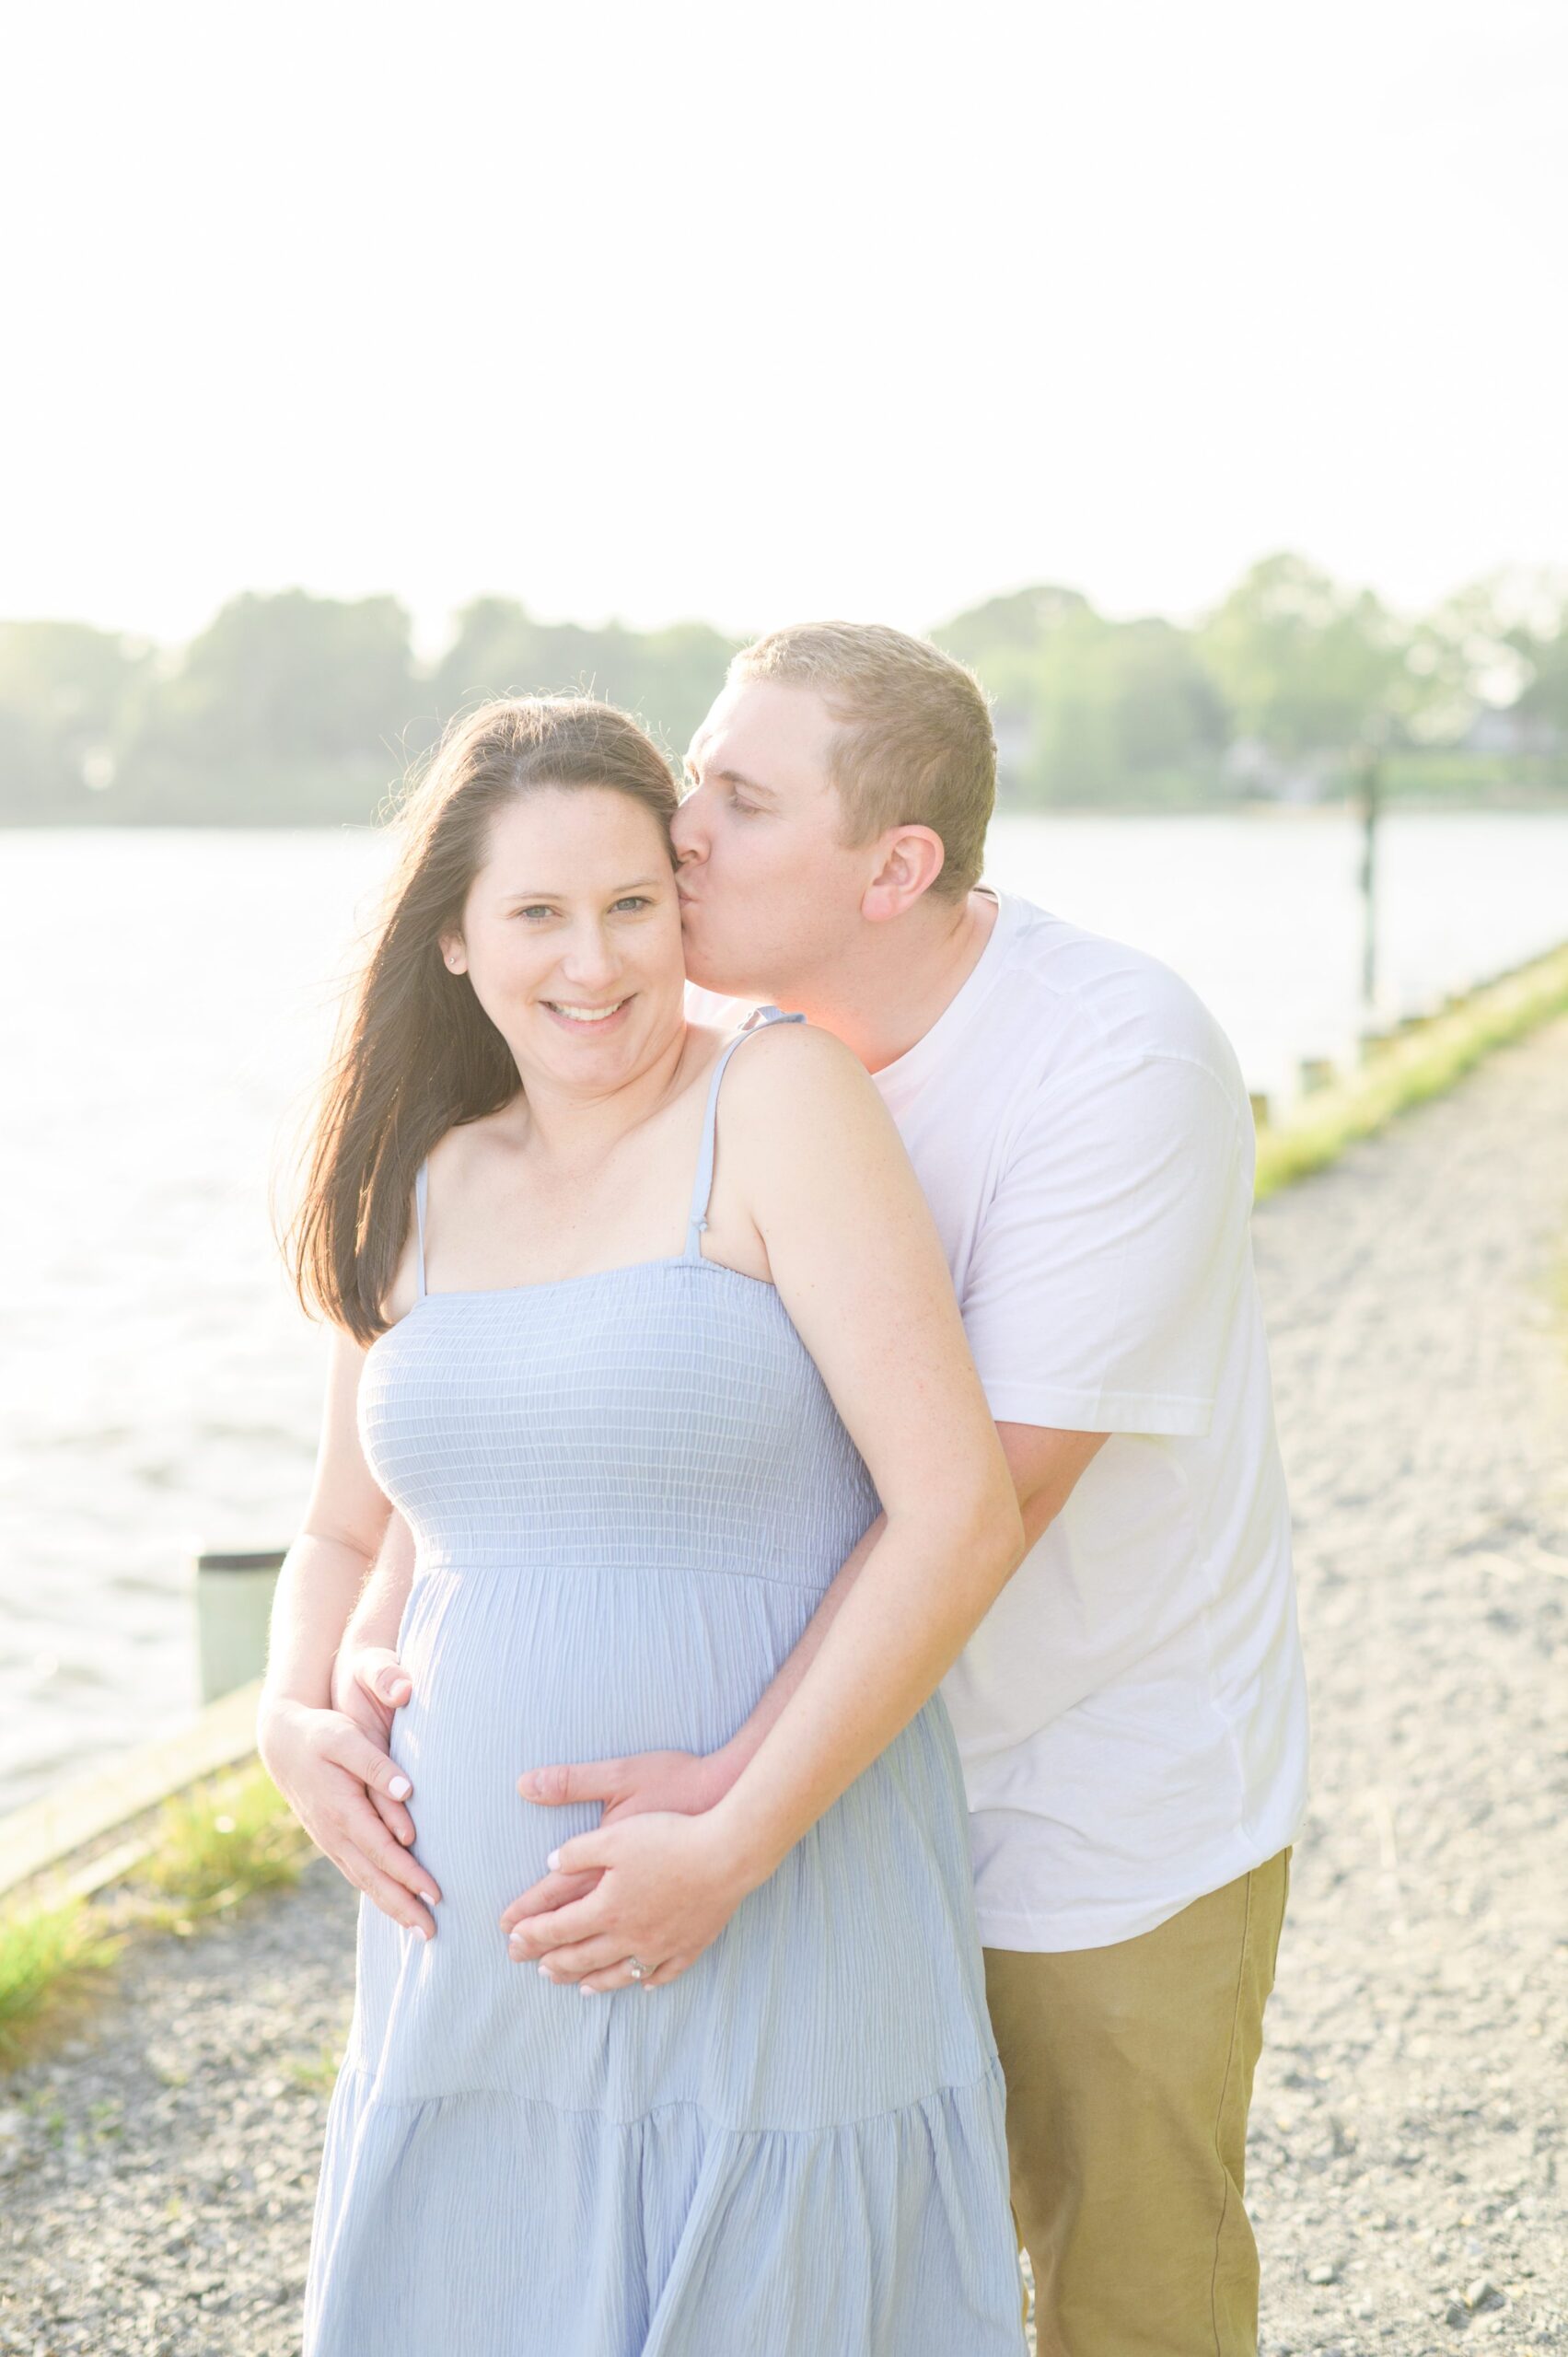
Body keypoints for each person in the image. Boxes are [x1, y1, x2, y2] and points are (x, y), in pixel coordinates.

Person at [343, 623, 1309, 2356]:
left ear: (898, 865)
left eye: (737, 795)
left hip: (1081, 1787)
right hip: (806, 1792)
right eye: (696, 775)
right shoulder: (719, 1035)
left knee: (1125, 2296)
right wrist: (356, 1652)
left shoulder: (1113, 1065)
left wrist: (735, 1812)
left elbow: (964, 1513)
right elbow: (502, 1425)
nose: (680, 825)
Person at [257, 694, 1032, 2356]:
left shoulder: (778, 1100)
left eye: (631, 903)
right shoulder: (415, 1178)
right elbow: (336, 1534)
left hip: (777, 1903)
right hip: (472, 1969)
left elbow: (958, 1513)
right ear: (455, 941)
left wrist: (732, 1846)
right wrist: (288, 1717)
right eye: (536, 913)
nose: (593, 961)